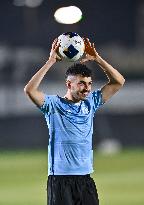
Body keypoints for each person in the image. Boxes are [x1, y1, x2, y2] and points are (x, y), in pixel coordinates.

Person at [24, 37, 125, 205]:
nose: (87, 88)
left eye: (89, 83)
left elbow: (118, 82)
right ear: (69, 84)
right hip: (60, 180)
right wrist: (50, 62)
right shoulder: (53, 105)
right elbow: (30, 90)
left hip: (85, 178)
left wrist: (98, 59)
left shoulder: (90, 102)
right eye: (81, 84)